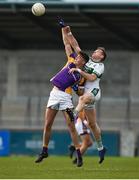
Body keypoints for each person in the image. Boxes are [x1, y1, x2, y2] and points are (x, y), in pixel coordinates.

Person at [35, 25, 89, 167]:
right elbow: (67, 43)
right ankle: (44, 150)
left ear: (83, 62)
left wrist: (78, 87)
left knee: (71, 127)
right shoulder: (71, 59)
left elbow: (79, 91)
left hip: (65, 97)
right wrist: (63, 29)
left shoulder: (79, 74)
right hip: (54, 94)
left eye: (79, 58)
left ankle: (78, 155)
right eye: (77, 56)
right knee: (47, 124)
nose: (77, 57)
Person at [59, 20, 107, 164]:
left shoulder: (100, 66)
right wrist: (67, 31)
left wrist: (80, 71)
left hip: (94, 92)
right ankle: (101, 147)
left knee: (82, 99)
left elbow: (92, 77)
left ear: (102, 56)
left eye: (99, 52)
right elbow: (74, 44)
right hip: (85, 95)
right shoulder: (86, 61)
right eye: (96, 50)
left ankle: (72, 115)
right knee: (92, 124)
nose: (95, 52)